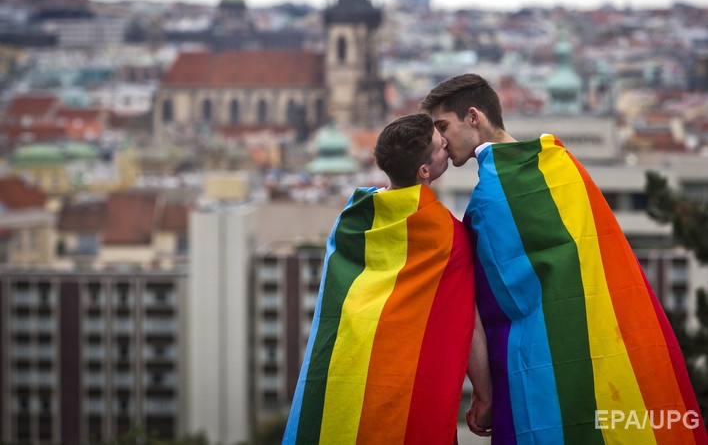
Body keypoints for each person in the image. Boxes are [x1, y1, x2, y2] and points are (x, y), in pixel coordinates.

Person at [421, 74, 708, 444]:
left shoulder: (489, 201)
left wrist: (484, 390)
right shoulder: (561, 166)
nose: (440, 140)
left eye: (443, 126)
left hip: (535, 370)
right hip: (601, 347)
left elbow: (478, 300)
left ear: (474, 117)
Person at [283, 113, 492, 444]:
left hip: (346, 377)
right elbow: (469, 319)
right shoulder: (446, 236)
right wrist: (485, 394)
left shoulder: (352, 219)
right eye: (440, 145)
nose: (446, 143)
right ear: (424, 171)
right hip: (404, 381)